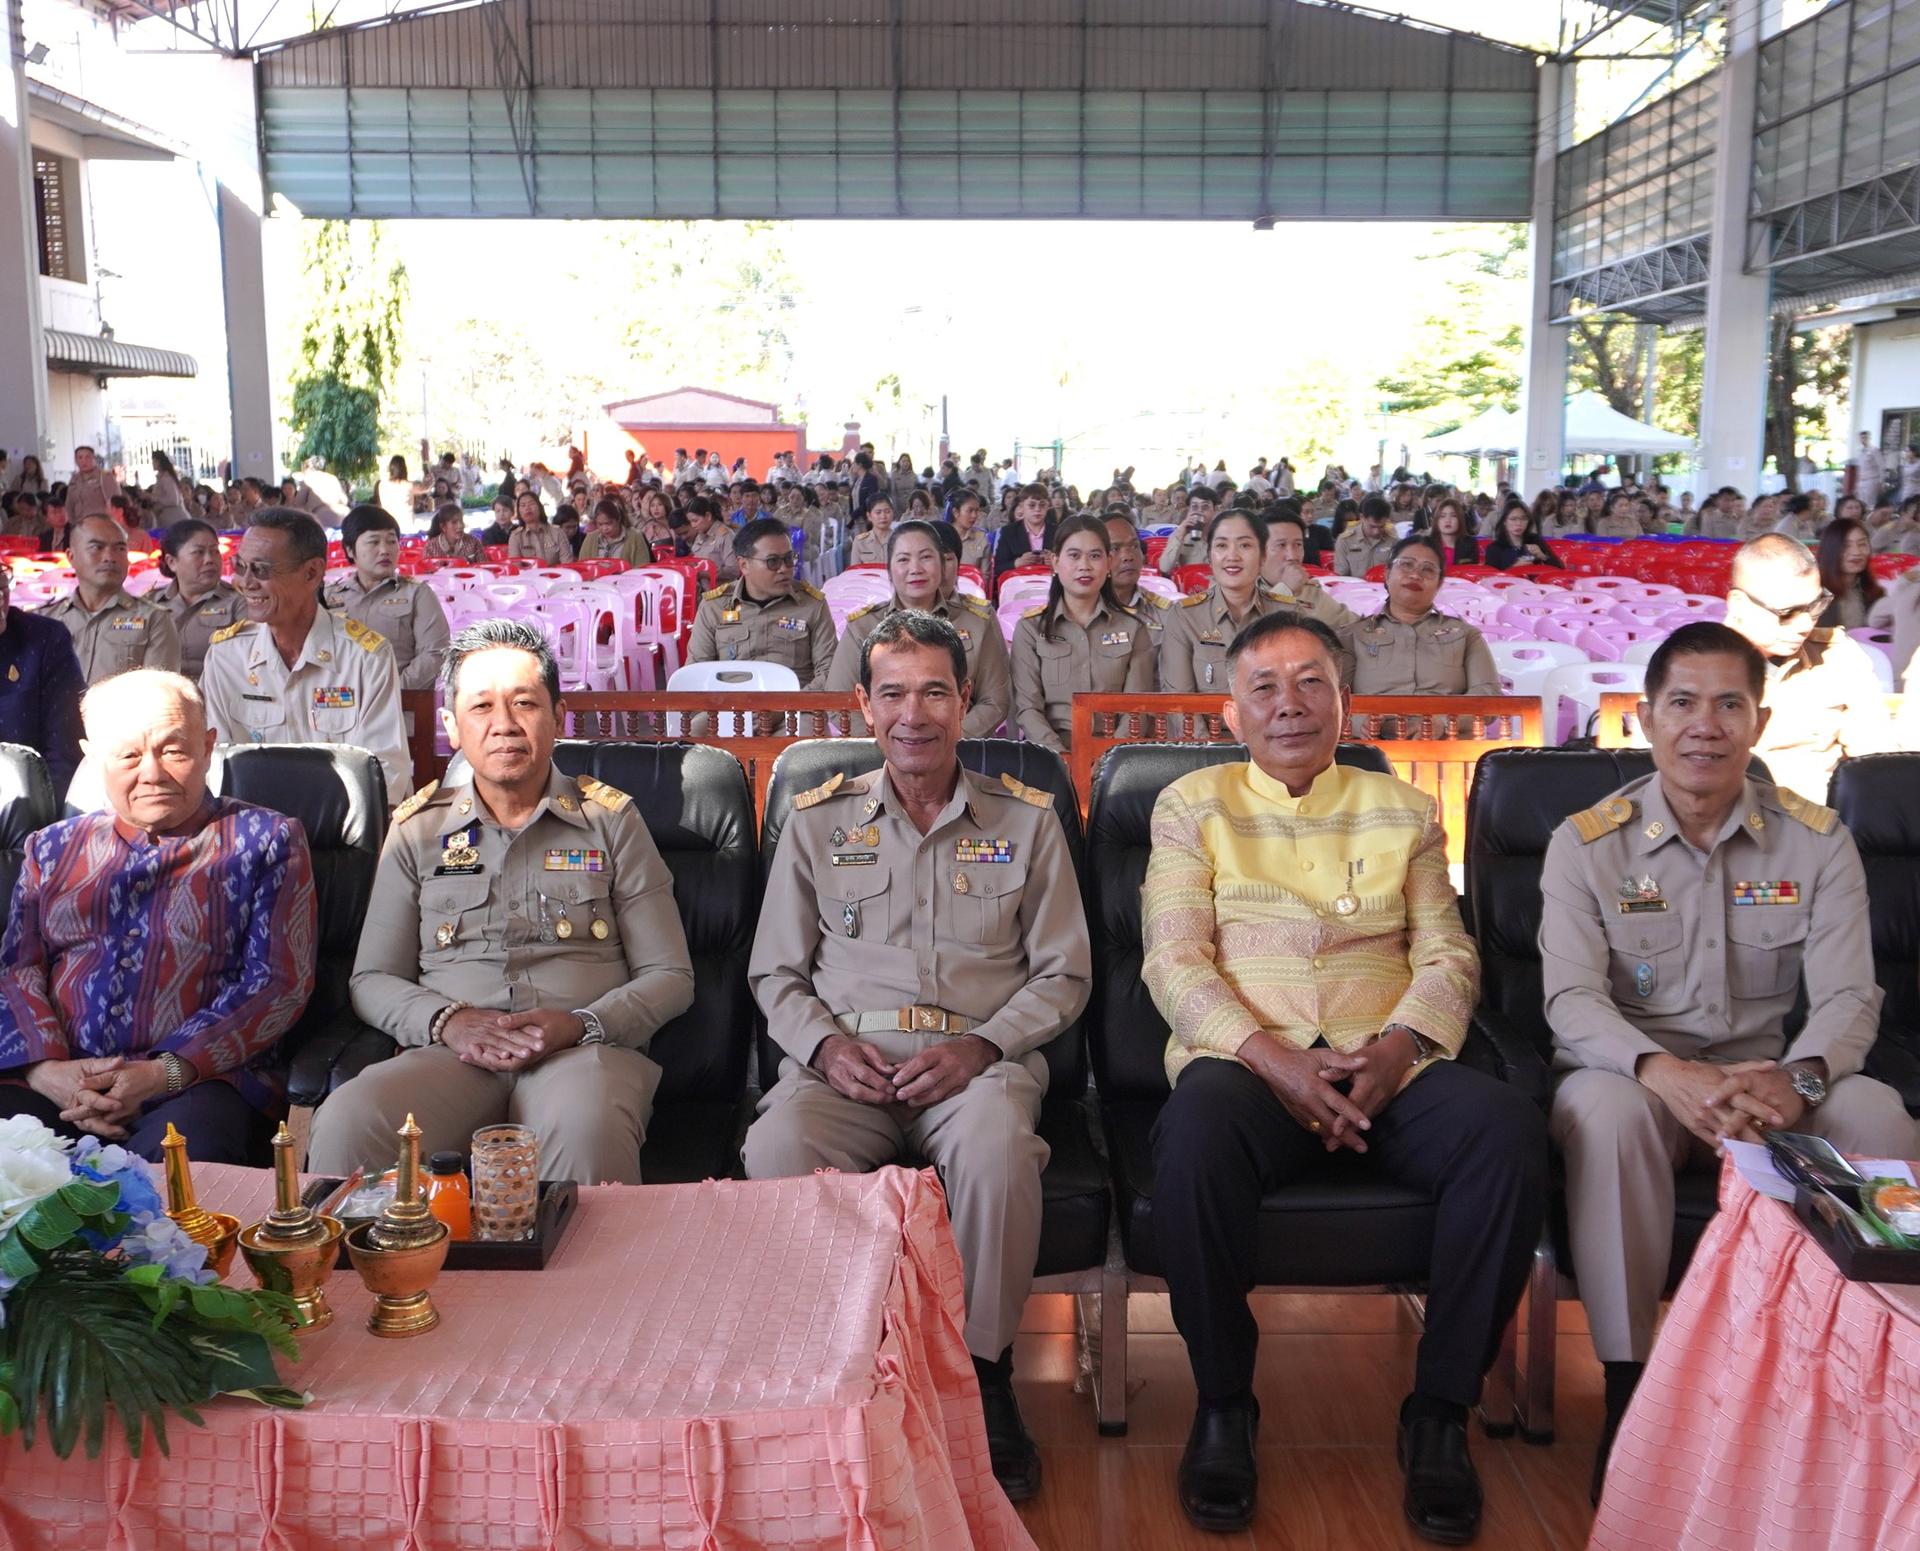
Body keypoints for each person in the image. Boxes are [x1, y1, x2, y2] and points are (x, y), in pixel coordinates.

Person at [1143, 610, 1546, 1541]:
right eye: (1265, 687)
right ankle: (1223, 1404)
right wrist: (1274, 1059)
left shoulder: (1401, 808)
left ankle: (1440, 1414)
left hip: (1385, 1062)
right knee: (1194, 1134)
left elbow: (1449, 954)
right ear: (1229, 712)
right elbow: (1174, 960)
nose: (1291, 705)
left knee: (1507, 1131)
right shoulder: (1191, 805)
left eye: (1311, 681)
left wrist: (1401, 1047)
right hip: (1248, 1061)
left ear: (1345, 700)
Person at [1539, 621, 1919, 1500]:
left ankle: (1867, 1389)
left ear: (1759, 719)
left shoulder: (1817, 842)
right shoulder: (1587, 843)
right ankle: (1630, 1392)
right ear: (1643, 717)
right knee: (1604, 1113)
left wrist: (1802, 1078)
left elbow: (1850, 998)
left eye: (1727, 704)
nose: (1703, 725)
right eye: (1682, 703)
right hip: (1640, 1079)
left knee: (1877, 1115)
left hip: (1772, 1084)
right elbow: (1571, 1000)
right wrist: (1664, 1072)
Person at [745, 609, 1090, 1502]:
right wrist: (823, 1045)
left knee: (997, 1150)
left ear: (966, 699)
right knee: (776, 1149)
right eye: (892, 691)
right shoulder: (818, 822)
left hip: (977, 1060)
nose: (914, 712)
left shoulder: (1027, 819)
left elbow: (1063, 975)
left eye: (935, 689)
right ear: (863, 705)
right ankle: (827, 1371)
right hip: (845, 1064)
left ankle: (984, 1374)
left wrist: (984, 1044)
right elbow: (774, 971)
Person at [309, 621, 693, 1185]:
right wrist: (451, 1022)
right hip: (451, 1057)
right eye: (481, 707)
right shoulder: (419, 830)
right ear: (452, 726)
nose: (504, 726)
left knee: (584, 1129)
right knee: (349, 1120)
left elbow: (670, 974)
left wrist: (582, 1024)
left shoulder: (610, 821)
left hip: (582, 1055)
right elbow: (372, 979)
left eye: (524, 704)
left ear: (559, 717)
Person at [0, 670, 316, 1163]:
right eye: (127, 754)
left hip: (197, 1083)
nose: (151, 772)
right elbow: (16, 971)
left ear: (209, 746)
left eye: (173, 750)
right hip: (56, 1081)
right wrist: (45, 1070)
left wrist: (160, 1073)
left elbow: (278, 983)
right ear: (93, 755)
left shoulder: (266, 840)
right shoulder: (53, 848)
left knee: (178, 1198)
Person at [200, 508, 412, 804]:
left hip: (346, 834)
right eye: (240, 566)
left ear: (311, 573)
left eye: (261, 569)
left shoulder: (365, 658)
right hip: (254, 832)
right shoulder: (226, 657)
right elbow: (213, 766)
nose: (245, 582)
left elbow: (385, 770)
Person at [1722, 534, 1893, 800]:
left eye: (1816, 607)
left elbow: (1875, 759)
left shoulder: (1839, 658)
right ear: (1739, 605)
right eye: (1787, 613)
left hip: (1818, 821)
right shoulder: (1692, 668)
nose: (1804, 625)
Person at [827, 520, 1011, 738]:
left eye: (926, 557)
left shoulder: (977, 622)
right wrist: (887, 744)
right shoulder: (862, 627)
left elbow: (995, 701)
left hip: (959, 749)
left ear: (942, 566)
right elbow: (839, 702)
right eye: (903, 559)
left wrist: (947, 740)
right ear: (890, 569)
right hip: (884, 755)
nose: (915, 569)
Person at [1008, 514, 1155, 752]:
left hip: (1117, 754)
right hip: (1051, 754)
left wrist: (1109, 761)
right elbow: (1028, 709)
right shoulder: (1031, 629)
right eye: (1074, 555)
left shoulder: (1133, 628)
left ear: (1108, 562)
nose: (1084, 566)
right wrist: (1063, 760)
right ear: (1055, 562)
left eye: (1095, 556)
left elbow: (1136, 710)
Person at [1340, 536, 1501, 697]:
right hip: (1374, 721)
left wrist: (1447, 721)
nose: (1416, 575)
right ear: (1387, 574)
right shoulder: (1353, 636)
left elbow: (1487, 693)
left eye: (1428, 569)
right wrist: (1368, 722)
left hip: (1445, 720)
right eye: (1407, 565)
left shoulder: (1465, 635)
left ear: (1438, 584)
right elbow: (1335, 700)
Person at [685, 516, 836, 685]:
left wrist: (789, 706)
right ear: (744, 566)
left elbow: (829, 672)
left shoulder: (812, 606)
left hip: (795, 707)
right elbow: (696, 673)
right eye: (772, 561)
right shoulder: (714, 608)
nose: (784, 569)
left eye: (788, 558)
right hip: (730, 707)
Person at [1158, 509, 1294, 693]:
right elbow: (1180, 705)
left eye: (1244, 545)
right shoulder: (1185, 617)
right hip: (1206, 722)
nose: (1232, 556)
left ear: (1263, 556)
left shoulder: (1289, 615)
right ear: (1209, 555)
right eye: (1222, 546)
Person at [36, 515, 182, 684]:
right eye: (96, 547)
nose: (109, 557)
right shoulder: (45, 619)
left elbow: (160, 697)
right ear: (71, 556)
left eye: (120, 549)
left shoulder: (154, 620)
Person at [324, 505, 453, 692]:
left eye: (392, 542)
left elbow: (434, 654)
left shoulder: (417, 594)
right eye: (373, 542)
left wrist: (391, 693)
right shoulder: (329, 597)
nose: (385, 550)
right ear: (350, 550)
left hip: (401, 707)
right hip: (340, 706)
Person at [0, 566, 84, 793]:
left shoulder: (43, 639)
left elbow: (65, 749)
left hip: (28, 804)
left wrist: (43, 820)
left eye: (1, 580)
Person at [151, 519, 246, 680]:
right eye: (198, 552)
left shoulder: (238, 602)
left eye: (215, 551)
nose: (209, 559)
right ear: (172, 562)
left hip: (217, 696)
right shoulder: (151, 603)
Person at [1260, 509, 1355, 629]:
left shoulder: (1308, 590)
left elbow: (1350, 624)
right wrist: (1285, 591)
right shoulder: (1240, 591)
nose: (1293, 556)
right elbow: (1251, 638)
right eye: (1281, 545)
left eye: (1298, 545)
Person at [1814, 516, 1883, 630]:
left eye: (1862, 544)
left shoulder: (1872, 590)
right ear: (1830, 549)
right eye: (1845, 546)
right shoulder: (1814, 594)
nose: (1856, 552)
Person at [992, 484, 1059, 583]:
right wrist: (1017, 563)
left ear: (1048, 507)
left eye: (1042, 505)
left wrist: (1056, 562)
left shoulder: (1058, 532)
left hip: (1051, 585)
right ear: (1022, 506)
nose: (1037, 509)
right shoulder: (1008, 532)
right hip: (1019, 585)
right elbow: (998, 567)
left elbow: (1070, 565)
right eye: (1032, 505)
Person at [1156, 486, 1220, 576]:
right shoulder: (1180, 534)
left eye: (1205, 507)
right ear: (1188, 510)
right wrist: (1179, 536)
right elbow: (1164, 568)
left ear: (1215, 510)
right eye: (1194, 507)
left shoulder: (1223, 535)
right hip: (1190, 587)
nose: (1199, 511)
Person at [578, 497, 653, 569]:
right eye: (600, 524)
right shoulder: (590, 539)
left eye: (609, 523)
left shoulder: (635, 537)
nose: (604, 528)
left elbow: (642, 567)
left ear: (618, 519)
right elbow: (582, 567)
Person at [1331, 495, 1397, 577]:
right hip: (1353, 588)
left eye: (1381, 526)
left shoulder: (1393, 540)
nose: (1376, 532)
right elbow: (1341, 576)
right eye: (1372, 526)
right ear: (1362, 517)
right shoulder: (1345, 540)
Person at [1485, 503, 1562, 569]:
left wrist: (1543, 556)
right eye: (1513, 519)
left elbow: (1560, 568)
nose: (1519, 523)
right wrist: (1515, 568)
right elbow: (1491, 578)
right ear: (1504, 522)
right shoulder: (1494, 548)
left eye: (1523, 518)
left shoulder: (1536, 540)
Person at [682, 493, 738, 582]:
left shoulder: (725, 535)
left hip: (723, 592)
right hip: (703, 591)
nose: (693, 525)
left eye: (695, 521)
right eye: (690, 522)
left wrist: (702, 574)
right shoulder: (700, 534)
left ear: (708, 516)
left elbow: (734, 570)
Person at [507, 490, 570, 566]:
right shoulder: (515, 537)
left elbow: (567, 565)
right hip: (528, 577)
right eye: (523, 505)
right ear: (519, 512)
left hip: (556, 577)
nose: (527, 508)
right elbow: (516, 569)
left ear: (540, 507)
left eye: (531, 503)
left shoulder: (558, 532)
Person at [64, 446, 121, 524]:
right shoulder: (74, 479)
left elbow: (116, 502)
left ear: (94, 458)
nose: (84, 461)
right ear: (76, 460)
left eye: (88, 457)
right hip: (79, 526)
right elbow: (69, 505)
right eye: (80, 458)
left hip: (101, 524)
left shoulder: (105, 477)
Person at [949, 488, 994, 586]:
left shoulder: (981, 538)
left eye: (977, 511)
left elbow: (985, 576)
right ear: (956, 512)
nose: (974, 516)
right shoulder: (942, 536)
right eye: (969, 511)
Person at [848, 494, 895, 567]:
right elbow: (855, 571)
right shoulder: (860, 542)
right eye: (878, 512)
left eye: (887, 511)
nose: (883, 516)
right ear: (869, 516)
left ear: (893, 513)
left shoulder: (899, 539)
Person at [148, 452, 191, 525]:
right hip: (170, 520)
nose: (152, 464)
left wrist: (153, 497)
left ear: (158, 462)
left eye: (154, 461)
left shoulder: (166, 478)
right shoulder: (162, 478)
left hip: (176, 520)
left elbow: (173, 500)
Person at [378, 456, 419, 527]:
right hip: (406, 526)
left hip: (388, 524)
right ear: (404, 468)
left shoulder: (382, 485)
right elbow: (425, 488)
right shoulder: (408, 485)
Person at [1854, 431, 1886, 505]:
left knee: (1870, 503)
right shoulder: (1860, 451)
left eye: (1865, 438)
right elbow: (1859, 469)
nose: (1863, 440)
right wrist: (1856, 485)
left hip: (1871, 481)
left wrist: (1881, 482)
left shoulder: (1874, 450)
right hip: (1861, 481)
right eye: (1862, 438)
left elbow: (1881, 467)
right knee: (1860, 503)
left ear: (1869, 438)